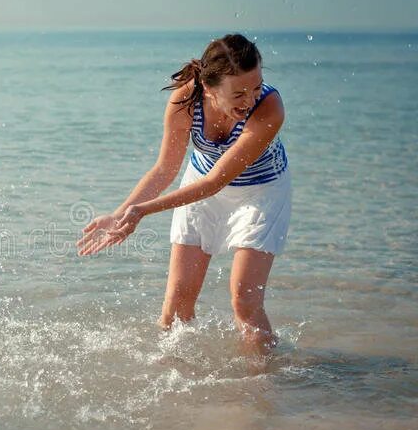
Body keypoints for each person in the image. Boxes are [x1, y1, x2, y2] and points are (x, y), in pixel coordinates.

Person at [77, 34, 291, 354]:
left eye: (257, 86)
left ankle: (264, 381)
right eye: (239, 93)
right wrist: (122, 211)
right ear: (209, 89)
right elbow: (165, 169)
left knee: (244, 299)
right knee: (176, 304)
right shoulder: (184, 102)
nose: (250, 100)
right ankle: (172, 380)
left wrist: (142, 211)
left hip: (260, 193)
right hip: (199, 184)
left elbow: (218, 181)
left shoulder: (269, 108)